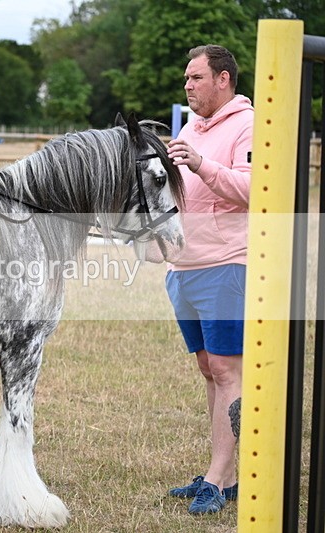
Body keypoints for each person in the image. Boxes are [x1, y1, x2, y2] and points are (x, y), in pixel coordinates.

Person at [163, 44, 253, 514]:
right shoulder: (189, 128)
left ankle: (216, 480)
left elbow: (252, 190)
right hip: (184, 268)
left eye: (196, 77)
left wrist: (200, 163)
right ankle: (227, 476)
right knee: (207, 367)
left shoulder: (248, 125)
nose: (188, 86)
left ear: (223, 79)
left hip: (227, 265)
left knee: (227, 370)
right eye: (186, 79)